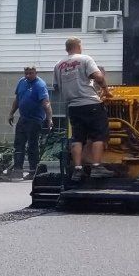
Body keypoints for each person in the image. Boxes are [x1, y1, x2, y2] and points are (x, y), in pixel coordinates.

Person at [56, 37, 112, 183]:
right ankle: (97, 167)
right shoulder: (85, 59)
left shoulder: (58, 65)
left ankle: (77, 169)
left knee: (77, 138)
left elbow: (56, 87)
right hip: (91, 103)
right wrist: (105, 90)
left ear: (66, 48)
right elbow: (98, 76)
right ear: (79, 46)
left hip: (73, 107)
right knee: (99, 136)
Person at [7, 66, 52, 178]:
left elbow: (46, 103)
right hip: (23, 118)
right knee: (18, 144)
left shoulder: (40, 85)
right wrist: (11, 113)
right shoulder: (22, 82)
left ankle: (33, 171)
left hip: (35, 119)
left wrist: (49, 119)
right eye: (26, 73)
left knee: (32, 145)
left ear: (36, 73)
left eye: (31, 73)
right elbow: (17, 99)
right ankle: (18, 169)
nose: (28, 75)